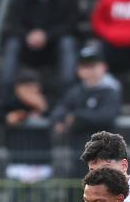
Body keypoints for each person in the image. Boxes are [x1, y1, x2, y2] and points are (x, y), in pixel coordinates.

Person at [51, 44, 123, 175]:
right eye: (85, 67)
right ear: (78, 70)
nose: (90, 71)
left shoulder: (111, 91)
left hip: (105, 154)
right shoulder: (75, 92)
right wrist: (60, 120)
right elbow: (60, 110)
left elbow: (106, 117)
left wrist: (76, 118)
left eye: (93, 66)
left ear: (103, 67)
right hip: (80, 153)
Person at [0, 0, 79, 95]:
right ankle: (5, 91)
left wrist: (47, 36)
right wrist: (28, 36)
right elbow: (13, 23)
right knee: (12, 44)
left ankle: (68, 91)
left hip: (54, 45)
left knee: (67, 42)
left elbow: (71, 25)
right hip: (27, 45)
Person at [0, 69, 53, 183]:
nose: (30, 91)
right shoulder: (10, 101)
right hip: (18, 158)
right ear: (17, 88)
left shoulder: (47, 98)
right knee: (16, 195)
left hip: (41, 158)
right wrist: (7, 117)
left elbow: (59, 114)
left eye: (33, 87)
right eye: (26, 88)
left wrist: (44, 109)